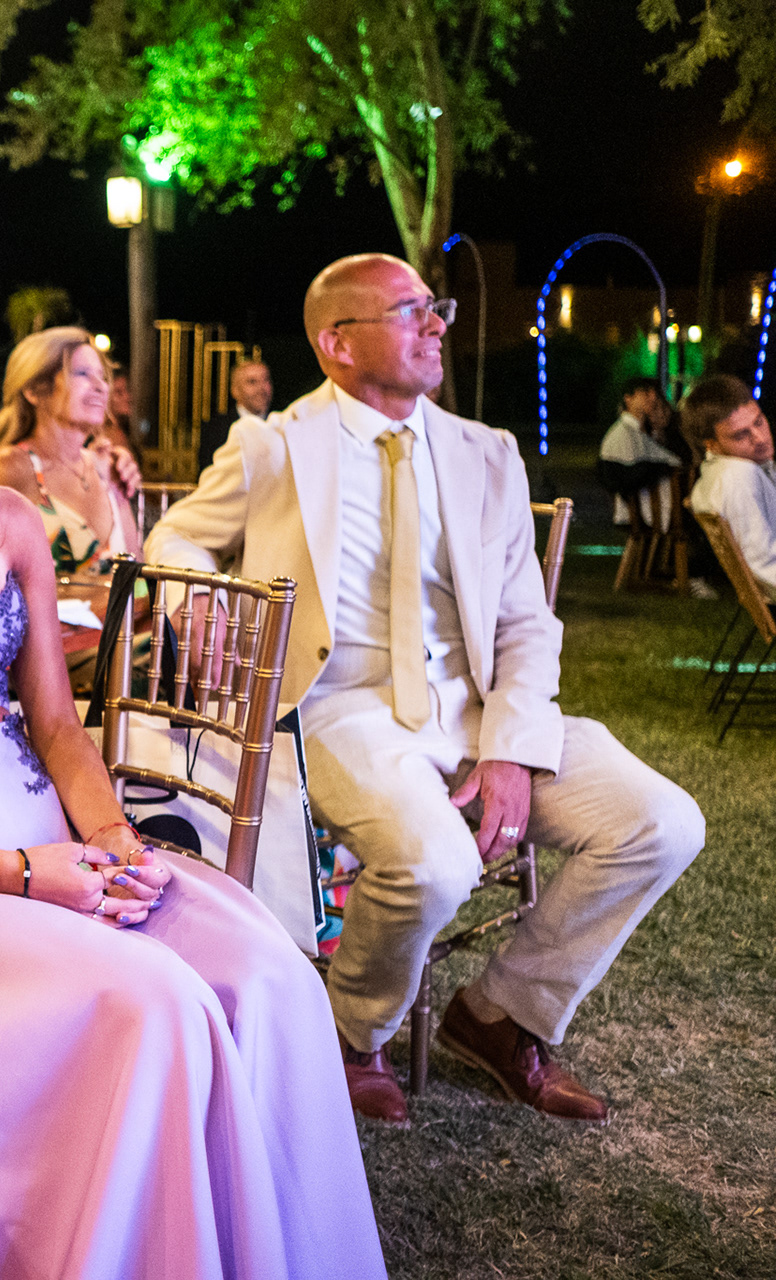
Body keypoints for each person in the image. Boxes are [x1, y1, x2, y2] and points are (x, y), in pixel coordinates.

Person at [0, 220, 385, 1280]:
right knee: (157, 1004)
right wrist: (23, 873)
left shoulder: (9, 521)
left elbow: (55, 723)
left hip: (47, 820)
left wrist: (113, 839)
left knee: (271, 975)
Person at [147, 252, 705, 1127]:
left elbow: (525, 623)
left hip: (479, 711)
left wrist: (510, 749)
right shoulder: (274, 445)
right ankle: (351, 1033)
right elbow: (176, 538)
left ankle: (501, 1015)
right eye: (411, 311)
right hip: (342, 710)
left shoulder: (488, 453)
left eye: (434, 307)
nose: (438, 323)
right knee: (436, 864)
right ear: (337, 343)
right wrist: (201, 601)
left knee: (663, 821)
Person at [0, 326, 145, 577]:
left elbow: (137, 579)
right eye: (82, 373)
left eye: (101, 376)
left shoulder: (108, 469)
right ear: (34, 390)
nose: (100, 386)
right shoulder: (10, 468)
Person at [686, 373, 776, 598]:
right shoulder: (738, 475)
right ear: (712, 444)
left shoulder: (714, 474)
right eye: (741, 435)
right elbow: (763, 565)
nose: (760, 438)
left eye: (759, 422)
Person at [597, 376, 682, 528]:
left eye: (654, 393)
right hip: (647, 516)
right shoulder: (623, 433)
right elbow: (622, 477)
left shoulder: (639, 432)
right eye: (645, 393)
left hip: (653, 513)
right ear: (628, 398)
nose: (652, 398)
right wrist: (662, 469)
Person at [198, 359, 274, 474]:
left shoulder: (280, 425)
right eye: (252, 382)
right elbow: (209, 474)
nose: (261, 388)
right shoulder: (215, 429)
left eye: (266, 380)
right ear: (235, 391)